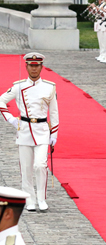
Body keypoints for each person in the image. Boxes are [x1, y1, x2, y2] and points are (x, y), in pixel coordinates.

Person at [0, 53, 59, 212]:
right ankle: (30, 199)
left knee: (40, 165)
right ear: (26, 67)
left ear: (41, 67)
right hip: (25, 130)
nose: (34, 68)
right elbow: (2, 100)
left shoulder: (49, 86)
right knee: (26, 168)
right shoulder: (18, 86)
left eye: (37, 65)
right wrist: (11, 119)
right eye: (31, 65)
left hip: (42, 130)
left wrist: (54, 134)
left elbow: (53, 112)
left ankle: (41, 198)